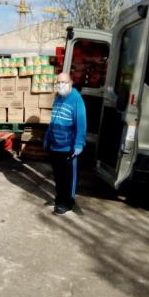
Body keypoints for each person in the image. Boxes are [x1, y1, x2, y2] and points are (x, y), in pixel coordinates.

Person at [43, 72, 86, 215]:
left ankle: (67, 202)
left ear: (71, 83)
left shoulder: (76, 99)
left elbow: (81, 123)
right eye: (58, 82)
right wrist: (47, 138)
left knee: (67, 177)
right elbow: (53, 120)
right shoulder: (58, 98)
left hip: (68, 146)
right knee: (58, 175)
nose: (61, 85)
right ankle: (59, 198)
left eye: (64, 82)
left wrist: (79, 144)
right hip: (55, 145)